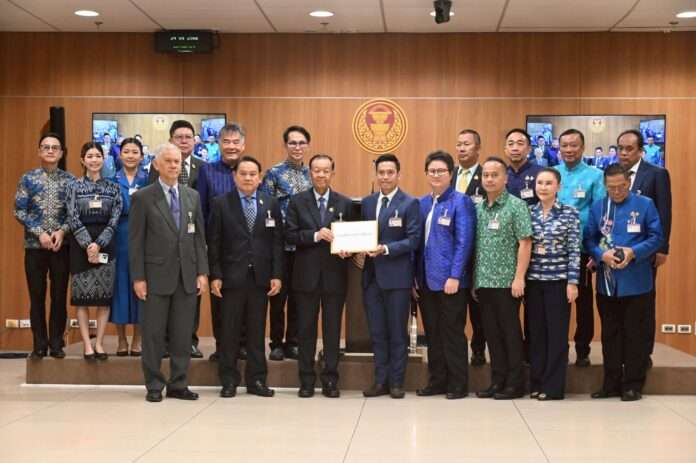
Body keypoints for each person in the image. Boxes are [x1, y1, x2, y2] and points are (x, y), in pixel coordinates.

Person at [129, 143, 208, 403]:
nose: (174, 165)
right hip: (155, 277)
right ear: (156, 164)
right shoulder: (143, 197)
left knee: (182, 335)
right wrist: (138, 278)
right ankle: (154, 384)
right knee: (153, 335)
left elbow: (199, 238)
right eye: (169, 161)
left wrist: (202, 272)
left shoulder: (192, 196)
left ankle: (179, 384)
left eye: (177, 161)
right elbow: (136, 242)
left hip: (187, 276)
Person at [585, 164, 663, 401]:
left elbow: (656, 238)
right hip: (607, 283)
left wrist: (633, 252)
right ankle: (610, 384)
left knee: (634, 335)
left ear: (629, 182)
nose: (617, 191)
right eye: (612, 188)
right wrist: (601, 255)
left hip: (637, 282)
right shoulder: (599, 207)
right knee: (610, 335)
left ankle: (632, 385)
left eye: (621, 186)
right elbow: (589, 239)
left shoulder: (645, 204)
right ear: (605, 186)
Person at [208, 156, 283, 398]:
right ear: (234, 176)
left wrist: (277, 274)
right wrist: (215, 275)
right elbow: (214, 243)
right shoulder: (221, 203)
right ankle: (228, 381)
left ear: (260, 178)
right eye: (243, 174)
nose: (248, 178)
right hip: (230, 278)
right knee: (229, 332)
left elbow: (276, 242)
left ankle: (257, 380)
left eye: (253, 174)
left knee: (256, 332)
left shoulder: (270, 203)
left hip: (260, 278)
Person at [286, 154, 354, 398]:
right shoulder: (297, 202)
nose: (321, 174)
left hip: (335, 277)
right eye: (316, 170)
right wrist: (315, 235)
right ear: (310, 173)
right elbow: (290, 235)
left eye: (326, 170)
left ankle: (330, 380)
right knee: (305, 331)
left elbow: (353, 237)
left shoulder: (345, 203)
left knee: (332, 332)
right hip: (306, 277)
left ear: (332, 173)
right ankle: (306, 380)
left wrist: (349, 250)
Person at [415, 151, 476, 400]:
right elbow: (417, 244)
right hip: (426, 281)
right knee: (433, 333)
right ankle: (437, 381)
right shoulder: (422, 203)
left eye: (441, 171)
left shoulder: (461, 202)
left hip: (451, 281)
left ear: (451, 174)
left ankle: (458, 384)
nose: (436, 175)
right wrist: (414, 278)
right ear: (426, 174)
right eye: (432, 171)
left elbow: (464, 242)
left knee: (452, 333)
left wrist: (455, 276)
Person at [361, 154, 422, 399]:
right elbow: (361, 235)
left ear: (398, 174)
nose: (385, 177)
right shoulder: (367, 202)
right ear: (376, 174)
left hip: (397, 278)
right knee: (377, 333)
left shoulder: (410, 203)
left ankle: (396, 383)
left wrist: (386, 249)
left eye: (390, 172)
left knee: (397, 333)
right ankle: (380, 381)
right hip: (371, 278)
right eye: (381, 172)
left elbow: (414, 240)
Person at [473, 157, 532, 400]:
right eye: (486, 175)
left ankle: (515, 384)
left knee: (510, 334)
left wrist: (519, 278)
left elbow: (525, 243)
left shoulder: (516, 206)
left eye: (494, 175)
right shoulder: (479, 208)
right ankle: (497, 381)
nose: (489, 179)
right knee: (492, 335)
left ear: (505, 178)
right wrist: (475, 280)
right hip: (484, 281)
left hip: (508, 282)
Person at [148, 120, 206, 358]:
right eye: (179, 137)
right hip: (163, 246)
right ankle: (164, 342)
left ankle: (189, 341)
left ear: (195, 141)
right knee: (164, 299)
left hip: (191, 239)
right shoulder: (157, 167)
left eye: (188, 137)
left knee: (191, 297)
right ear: (171, 140)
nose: (184, 141)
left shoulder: (203, 168)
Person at [14, 133, 74, 359]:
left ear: (61, 153)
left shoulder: (70, 180)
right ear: (39, 151)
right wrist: (39, 233)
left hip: (61, 247)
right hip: (34, 247)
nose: (50, 151)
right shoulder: (28, 178)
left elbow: (74, 214)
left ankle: (56, 343)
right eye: (46, 147)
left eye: (54, 148)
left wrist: (62, 231)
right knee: (37, 297)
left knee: (59, 296)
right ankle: (39, 344)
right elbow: (19, 210)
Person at [618, 129, 672, 367]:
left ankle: (643, 353)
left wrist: (662, 248)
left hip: (645, 251)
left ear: (641, 151)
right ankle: (622, 351)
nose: (623, 153)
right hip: (617, 250)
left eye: (629, 149)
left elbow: (665, 212)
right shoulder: (612, 174)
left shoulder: (656, 174)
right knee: (619, 304)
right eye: (620, 148)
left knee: (644, 303)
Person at [526, 168, 580, 400]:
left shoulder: (570, 213)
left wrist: (573, 282)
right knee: (537, 334)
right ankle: (537, 382)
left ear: (559, 187)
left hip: (558, 282)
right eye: (540, 183)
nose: (543, 187)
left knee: (557, 335)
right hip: (533, 281)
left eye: (549, 183)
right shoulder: (528, 212)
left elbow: (574, 250)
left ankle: (553, 387)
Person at [554, 129, 606, 367]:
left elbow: (600, 215)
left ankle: (583, 350)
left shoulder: (595, 175)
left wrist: (596, 251)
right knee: (556, 302)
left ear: (583, 148)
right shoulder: (552, 173)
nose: (569, 150)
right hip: (554, 250)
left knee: (583, 302)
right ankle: (558, 350)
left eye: (573, 145)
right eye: (564, 145)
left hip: (583, 249)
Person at [66, 142, 123, 359]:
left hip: (106, 244)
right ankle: (86, 345)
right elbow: (72, 217)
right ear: (82, 160)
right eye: (89, 156)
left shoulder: (113, 187)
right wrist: (87, 244)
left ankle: (99, 343)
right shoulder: (74, 186)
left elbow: (115, 218)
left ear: (103, 158)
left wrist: (98, 244)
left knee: (103, 299)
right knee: (82, 299)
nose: (94, 160)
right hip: (80, 245)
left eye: (98, 155)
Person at [260, 125, 313, 361]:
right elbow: (264, 207)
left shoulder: (312, 174)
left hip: (304, 247)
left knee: (299, 297)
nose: (297, 147)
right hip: (280, 245)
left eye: (301, 143)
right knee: (278, 297)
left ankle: (293, 342)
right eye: (292, 142)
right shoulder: (273, 173)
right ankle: (276, 343)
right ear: (285, 145)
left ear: (308, 146)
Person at [197, 123, 246, 361]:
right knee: (219, 297)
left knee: (246, 298)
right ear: (218, 144)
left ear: (243, 145)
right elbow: (201, 210)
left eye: (236, 142)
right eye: (226, 141)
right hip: (217, 246)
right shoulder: (207, 171)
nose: (231, 146)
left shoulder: (250, 169)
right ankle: (222, 347)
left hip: (246, 247)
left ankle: (243, 345)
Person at [110, 138, 149, 356]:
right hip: (119, 236)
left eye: (135, 152)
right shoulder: (111, 180)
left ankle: (138, 339)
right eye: (126, 151)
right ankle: (121, 339)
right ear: (120, 155)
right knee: (119, 287)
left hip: (144, 236)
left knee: (140, 285)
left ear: (142, 156)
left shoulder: (148, 179)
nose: (131, 155)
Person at [451, 129, 486, 366]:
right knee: (455, 308)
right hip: (452, 250)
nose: (462, 148)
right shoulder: (449, 175)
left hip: (477, 250)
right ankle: (457, 353)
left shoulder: (486, 175)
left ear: (477, 148)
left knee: (478, 307)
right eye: (459, 144)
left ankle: (478, 349)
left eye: (467, 144)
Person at [505, 129, 542, 206]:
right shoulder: (501, 174)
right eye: (510, 144)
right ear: (505, 150)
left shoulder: (541, 173)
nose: (515, 148)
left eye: (520, 144)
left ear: (529, 149)